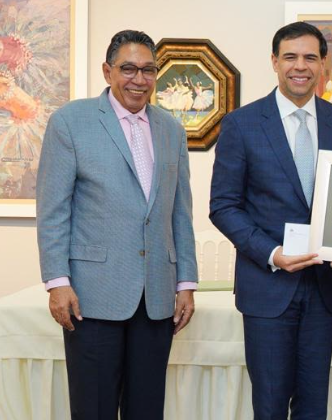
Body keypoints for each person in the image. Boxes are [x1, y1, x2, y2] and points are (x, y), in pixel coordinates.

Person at [36, 29, 197, 420]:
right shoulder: (70, 122)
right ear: (107, 71)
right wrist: (57, 282)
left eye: (148, 70)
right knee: (94, 408)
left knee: (147, 409)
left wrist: (186, 284)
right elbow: (54, 209)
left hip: (156, 297)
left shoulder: (172, 129)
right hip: (91, 296)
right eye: (128, 69)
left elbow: (180, 212)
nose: (139, 79)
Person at [208, 22, 332, 419]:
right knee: (270, 405)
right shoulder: (241, 124)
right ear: (274, 62)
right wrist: (272, 253)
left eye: (310, 57)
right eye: (290, 57)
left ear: (323, 63)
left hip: (323, 289)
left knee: (314, 406)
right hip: (268, 286)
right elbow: (223, 206)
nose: (300, 66)